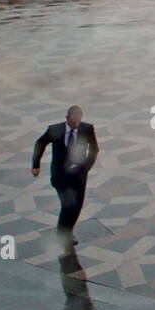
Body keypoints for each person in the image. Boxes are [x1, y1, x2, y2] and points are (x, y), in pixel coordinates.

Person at [31, 105, 100, 245]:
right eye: (74, 122)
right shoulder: (55, 130)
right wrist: (36, 165)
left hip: (78, 175)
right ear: (68, 118)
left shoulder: (87, 129)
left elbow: (94, 148)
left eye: (79, 122)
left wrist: (86, 167)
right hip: (61, 176)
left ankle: (66, 231)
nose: (76, 125)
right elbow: (40, 143)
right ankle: (63, 233)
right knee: (68, 205)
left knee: (77, 207)